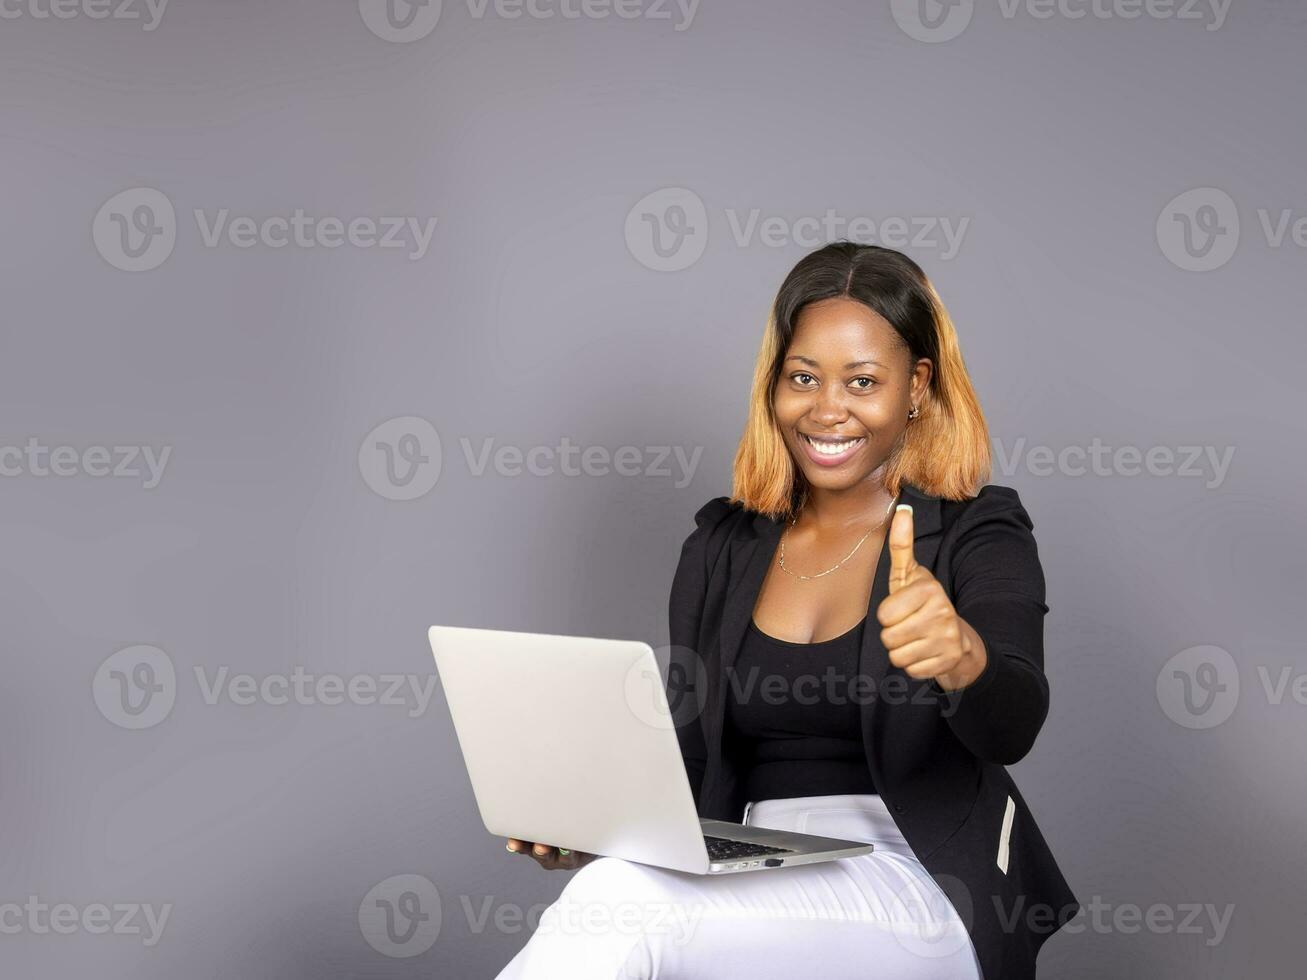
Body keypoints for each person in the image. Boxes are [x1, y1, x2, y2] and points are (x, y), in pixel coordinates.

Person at [497, 241, 1079, 979]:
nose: (826, 409)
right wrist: (593, 831)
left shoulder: (975, 529)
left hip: (919, 876)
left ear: (916, 387)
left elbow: (1013, 721)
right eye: (802, 377)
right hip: (750, 868)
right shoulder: (723, 546)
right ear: (773, 385)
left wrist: (961, 658)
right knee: (612, 885)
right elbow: (692, 759)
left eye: (862, 381)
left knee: (619, 905)